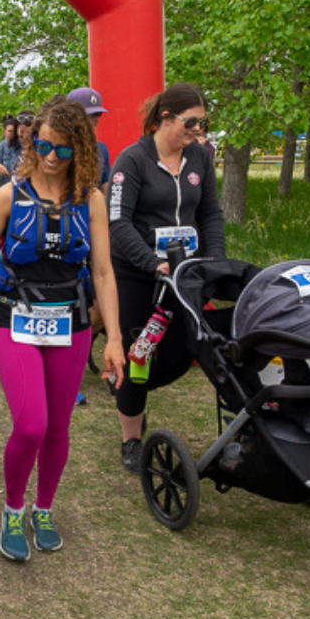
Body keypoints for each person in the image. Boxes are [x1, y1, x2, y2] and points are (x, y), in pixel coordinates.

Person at [0, 98, 125, 561]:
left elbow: (103, 273)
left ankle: (43, 508)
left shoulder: (92, 199)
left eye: (63, 150)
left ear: (80, 150)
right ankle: (12, 509)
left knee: (58, 429)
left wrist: (117, 340)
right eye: (44, 144)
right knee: (31, 426)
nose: (51, 156)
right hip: (16, 317)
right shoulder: (10, 194)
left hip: (72, 321)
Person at [108, 83, 225, 471]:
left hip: (184, 273)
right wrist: (150, 263)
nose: (197, 130)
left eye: (202, 123)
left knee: (182, 353)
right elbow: (119, 223)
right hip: (137, 275)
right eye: (191, 123)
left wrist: (216, 263)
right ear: (166, 118)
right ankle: (131, 438)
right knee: (138, 356)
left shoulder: (200, 158)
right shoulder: (132, 160)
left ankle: (126, 387)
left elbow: (209, 214)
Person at [67, 86, 111, 186]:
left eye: (98, 113)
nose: (95, 119)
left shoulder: (101, 149)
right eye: (90, 114)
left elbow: (105, 186)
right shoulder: (57, 148)